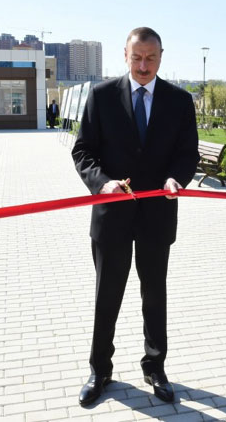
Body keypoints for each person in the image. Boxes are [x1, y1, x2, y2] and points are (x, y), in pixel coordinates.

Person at [71, 27, 199, 406]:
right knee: (106, 295)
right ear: (125, 56)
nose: (144, 66)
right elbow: (83, 151)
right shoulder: (101, 96)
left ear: (161, 56)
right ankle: (100, 369)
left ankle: (155, 366)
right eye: (137, 58)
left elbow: (187, 153)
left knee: (153, 294)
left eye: (151, 58)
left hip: (157, 215)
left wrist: (178, 178)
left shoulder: (179, 100)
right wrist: (102, 183)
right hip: (112, 214)